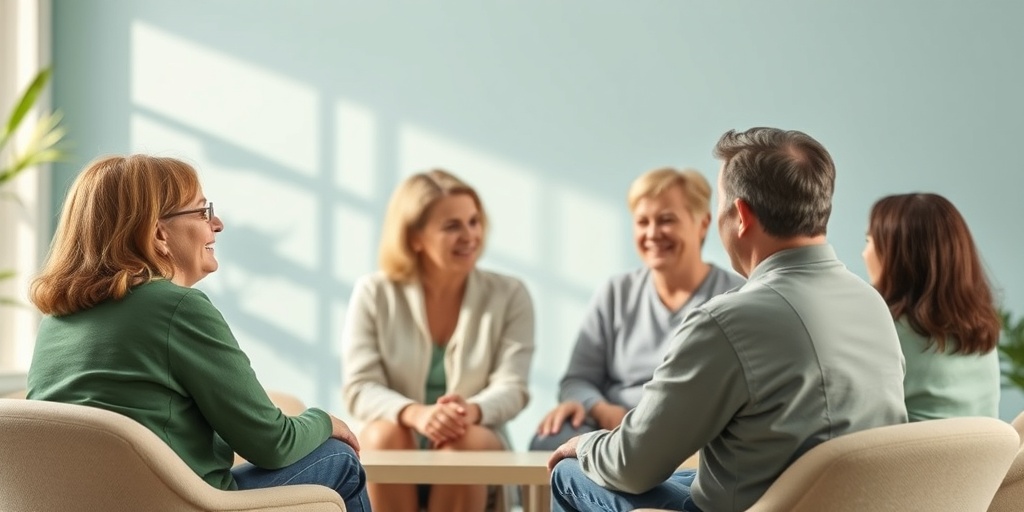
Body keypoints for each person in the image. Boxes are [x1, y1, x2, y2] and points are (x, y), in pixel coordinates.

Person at [547, 127, 908, 512]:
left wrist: (585, 443)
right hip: (847, 500)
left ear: (740, 215)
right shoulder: (871, 304)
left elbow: (632, 466)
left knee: (570, 472)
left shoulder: (730, 319)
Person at [26, 155, 370, 511]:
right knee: (338, 458)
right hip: (174, 505)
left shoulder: (55, 321)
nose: (217, 224)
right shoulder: (177, 307)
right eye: (202, 212)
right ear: (159, 233)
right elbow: (272, 443)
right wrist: (323, 420)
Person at [342, 169, 535, 512]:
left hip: (472, 439)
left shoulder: (511, 294)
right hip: (396, 441)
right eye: (452, 226)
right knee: (384, 435)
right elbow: (360, 387)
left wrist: (469, 411)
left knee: (462, 441)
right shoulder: (373, 292)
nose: (470, 236)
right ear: (414, 237)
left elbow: (512, 387)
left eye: (474, 222)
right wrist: (415, 414)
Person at [530, 168, 743, 451]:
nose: (652, 233)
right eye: (642, 222)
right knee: (552, 438)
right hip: (613, 430)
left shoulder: (736, 295)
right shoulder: (616, 292)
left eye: (666, 220)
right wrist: (601, 410)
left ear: (702, 223)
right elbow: (577, 380)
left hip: (695, 434)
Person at [863, 193, 1001, 421]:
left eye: (869, 241)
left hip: (906, 456)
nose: (864, 253)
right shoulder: (983, 332)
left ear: (899, 257)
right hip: (985, 457)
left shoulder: (883, 331)